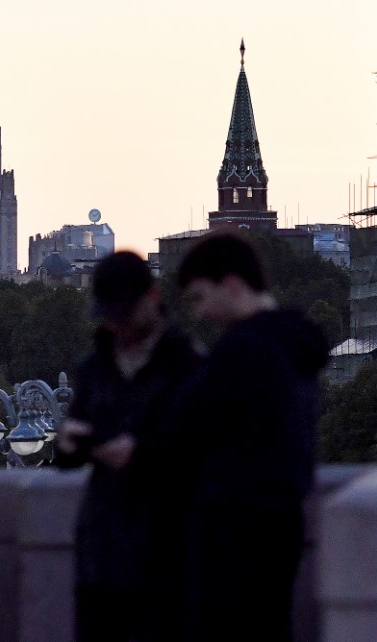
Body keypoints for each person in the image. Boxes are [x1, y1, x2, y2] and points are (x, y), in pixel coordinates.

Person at [176, 232, 328, 642]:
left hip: (232, 531)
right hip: (281, 524)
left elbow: (186, 428)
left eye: (200, 297)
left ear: (231, 284)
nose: (200, 312)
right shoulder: (295, 341)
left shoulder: (243, 351)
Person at [55, 250, 199, 642]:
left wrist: (142, 453)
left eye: (124, 312)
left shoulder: (186, 365)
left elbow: (200, 447)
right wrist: (69, 444)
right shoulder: (95, 366)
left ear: (152, 299)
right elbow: (69, 450)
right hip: (101, 548)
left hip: (165, 549)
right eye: (109, 314)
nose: (116, 324)